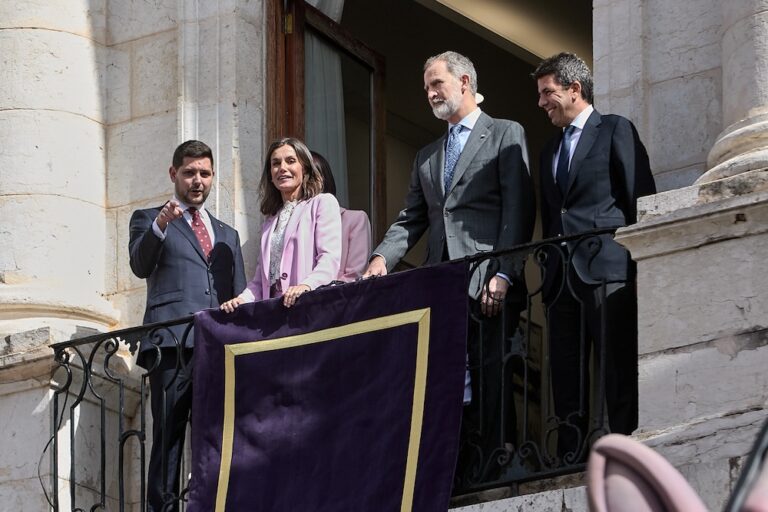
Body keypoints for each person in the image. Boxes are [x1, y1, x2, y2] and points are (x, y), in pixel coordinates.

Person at [363, 51, 535, 478]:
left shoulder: (504, 133)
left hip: (486, 280)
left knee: (492, 372)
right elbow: (411, 218)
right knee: (446, 379)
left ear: (463, 81)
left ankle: (496, 466)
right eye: (426, 87)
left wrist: (503, 273)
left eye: (436, 83)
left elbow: (518, 209)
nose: (429, 93)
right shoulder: (427, 155)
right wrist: (382, 258)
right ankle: (454, 469)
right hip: (441, 285)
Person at [532, 52, 656, 459]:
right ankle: (571, 455)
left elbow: (640, 195)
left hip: (607, 268)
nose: (542, 102)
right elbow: (554, 214)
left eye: (548, 92)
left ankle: (627, 448)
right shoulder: (549, 150)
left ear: (575, 89)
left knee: (617, 364)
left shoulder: (614, 129)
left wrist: (641, 266)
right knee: (566, 371)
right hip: (561, 279)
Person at [128, 140, 246, 511]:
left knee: (218, 435)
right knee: (169, 436)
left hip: (217, 347)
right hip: (171, 345)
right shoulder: (148, 219)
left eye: (205, 174)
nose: (198, 181)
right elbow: (139, 265)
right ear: (173, 174)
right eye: (190, 173)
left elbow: (239, 292)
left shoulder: (228, 234)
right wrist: (162, 225)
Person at [220, 137, 341, 312]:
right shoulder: (270, 221)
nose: (282, 168)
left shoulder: (322, 203)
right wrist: (241, 300)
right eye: (276, 163)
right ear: (270, 174)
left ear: (304, 168)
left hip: (310, 308)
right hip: (275, 314)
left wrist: (306, 285)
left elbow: (329, 260)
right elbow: (260, 281)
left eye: (291, 161)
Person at [311, 150, 372, 282]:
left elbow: (354, 274)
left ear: (323, 180)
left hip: (335, 299)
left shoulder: (355, 219)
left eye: (311, 177)